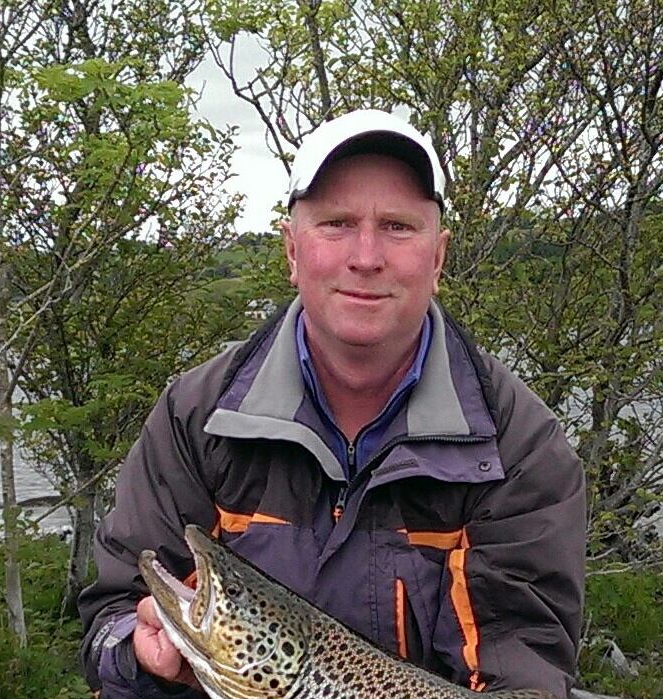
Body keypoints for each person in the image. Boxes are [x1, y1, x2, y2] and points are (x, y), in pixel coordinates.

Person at [78, 109, 586, 699]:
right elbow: (111, 615)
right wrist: (137, 654)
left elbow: (521, 667)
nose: (366, 256)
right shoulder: (194, 420)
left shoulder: (518, 447)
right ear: (292, 250)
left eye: (397, 227)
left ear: (439, 257)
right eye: (337, 223)